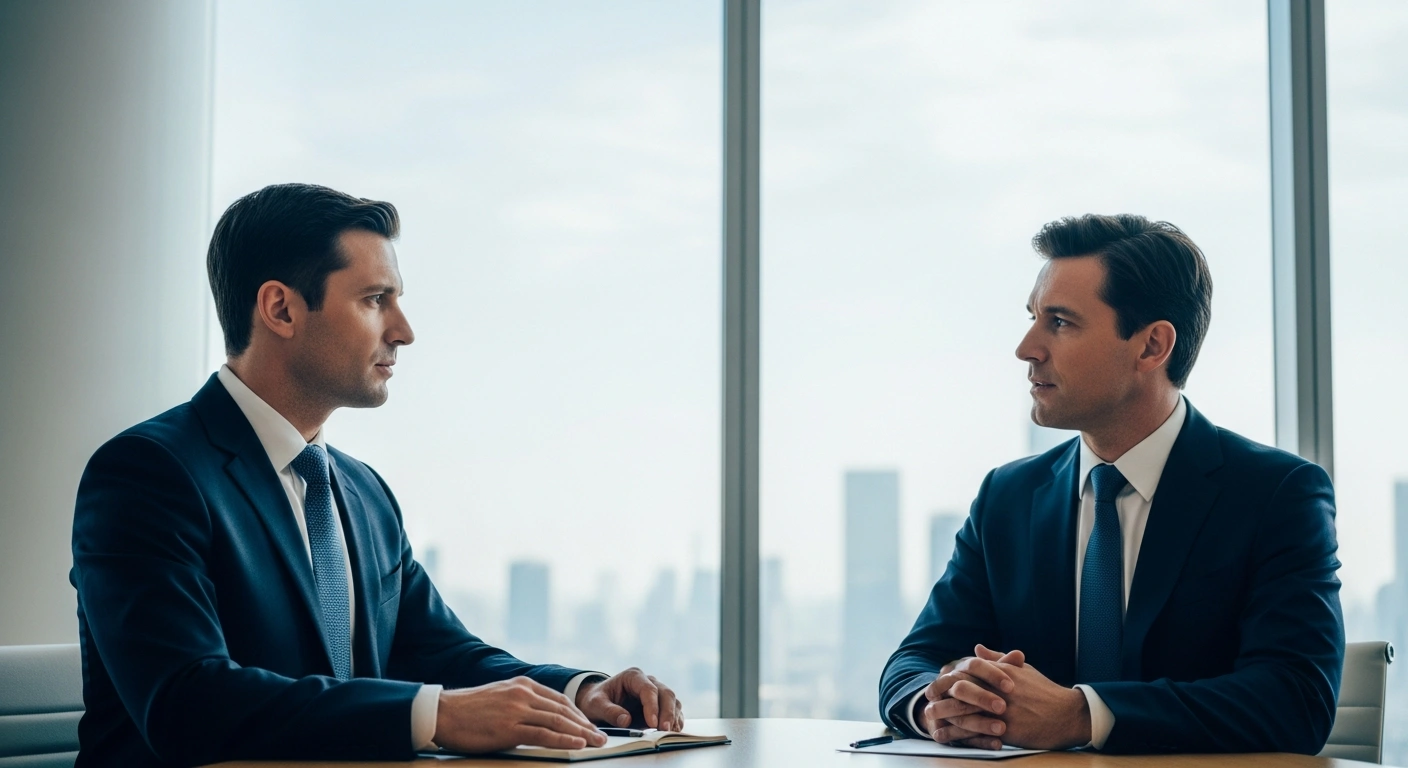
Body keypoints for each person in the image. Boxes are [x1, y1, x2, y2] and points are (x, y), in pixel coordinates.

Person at [70, 183, 683, 767]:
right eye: (374, 300)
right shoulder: (148, 474)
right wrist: (436, 716)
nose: (404, 331)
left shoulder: (362, 491)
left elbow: (437, 652)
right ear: (280, 308)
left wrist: (579, 692)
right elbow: (186, 702)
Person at [878, 214, 1344, 754]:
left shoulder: (1277, 493)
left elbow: (1296, 701)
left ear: (1151, 346)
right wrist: (937, 703)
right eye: (1032, 318)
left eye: (1060, 323)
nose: (1026, 348)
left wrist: (1083, 716)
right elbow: (912, 663)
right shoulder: (1007, 496)